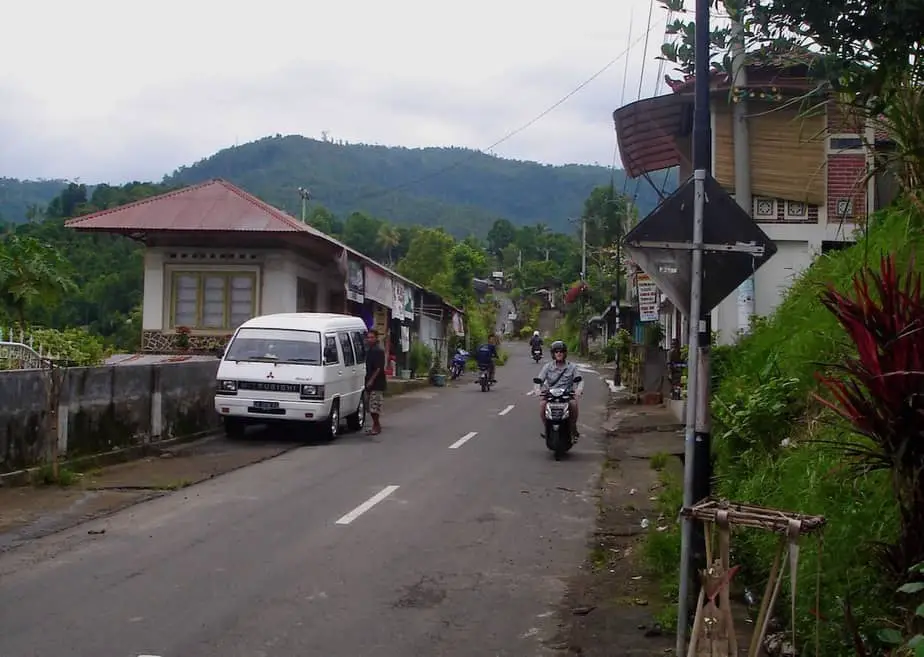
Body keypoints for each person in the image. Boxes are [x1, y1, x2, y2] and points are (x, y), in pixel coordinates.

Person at [535, 340, 582, 438]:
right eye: (556, 352)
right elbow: (539, 379)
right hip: (550, 395)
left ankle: (573, 427)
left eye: (561, 351)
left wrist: (578, 389)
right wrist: (537, 390)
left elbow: (580, 380)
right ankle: (547, 428)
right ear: (553, 354)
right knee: (542, 405)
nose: (559, 353)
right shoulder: (547, 367)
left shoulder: (572, 367)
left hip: (567, 395)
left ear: (565, 353)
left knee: (573, 405)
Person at [364, 329, 386, 435]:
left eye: (372, 337)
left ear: (376, 338)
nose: (369, 339)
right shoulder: (369, 350)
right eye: (368, 337)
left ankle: (376, 426)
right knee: (370, 407)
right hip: (369, 382)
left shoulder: (378, 351)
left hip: (377, 383)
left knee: (374, 407)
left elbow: (378, 368)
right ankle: (375, 425)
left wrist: (371, 380)